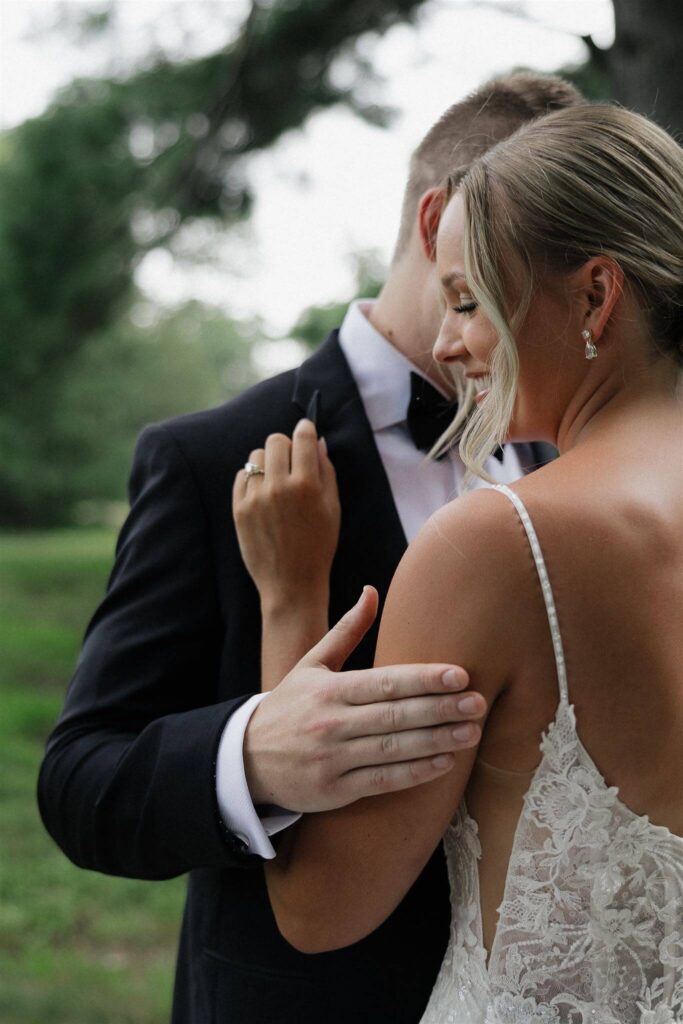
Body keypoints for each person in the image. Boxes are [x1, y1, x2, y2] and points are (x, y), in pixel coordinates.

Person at [38, 73, 582, 1024]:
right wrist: (250, 755)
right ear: (441, 223)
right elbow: (81, 778)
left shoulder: (568, 448)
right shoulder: (210, 457)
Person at [234, 104, 683, 1022]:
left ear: (595, 296)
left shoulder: (498, 543)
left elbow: (319, 908)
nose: (445, 342)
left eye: (470, 302)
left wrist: (289, 601)